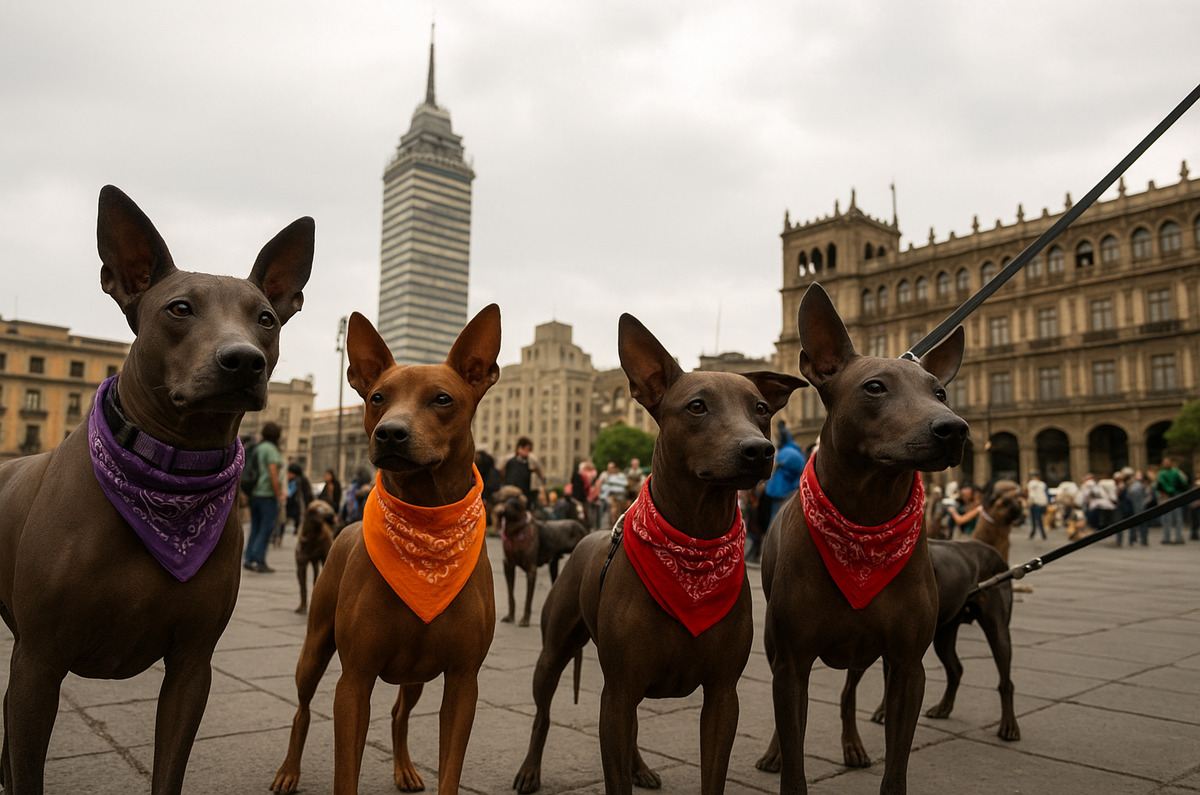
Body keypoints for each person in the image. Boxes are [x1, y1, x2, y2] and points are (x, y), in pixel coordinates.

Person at [244, 422, 284, 573]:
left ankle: (248, 558)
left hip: (254, 494)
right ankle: (259, 560)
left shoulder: (258, 447)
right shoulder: (271, 450)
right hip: (267, 495)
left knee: (255, 527)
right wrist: (278, 493)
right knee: (266, 528)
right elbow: (273, 472)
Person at [500, 437, 544, 509]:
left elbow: (540, 474)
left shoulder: (531, 461)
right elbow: (502, 472)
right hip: (511, 492)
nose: (528, 453)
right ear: (519, 448)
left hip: (525, 494)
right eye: (526, 449)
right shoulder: (510, 460)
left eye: (529, 450)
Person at [1156, 457, 1189, 544]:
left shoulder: (1176, 472)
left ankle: (1178, 538)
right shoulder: (1162, 473)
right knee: (1166, 519)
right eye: (1164, 462)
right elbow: (1159, 485)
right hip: (1167, 497)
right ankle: (1167, 538)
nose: (1166, 464)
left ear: (1171, 463)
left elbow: (1183, 483)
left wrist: (1172, 491)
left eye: (1167, 462)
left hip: (1175, 496)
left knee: (1178, 518)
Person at [281, 462, 314, 542]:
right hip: (298, 508)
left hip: (299, 508)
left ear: (294, 473)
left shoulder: (298, 481)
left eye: (289, 473)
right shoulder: (299, 480)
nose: (288, 475)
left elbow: (295, 494)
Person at [598, 461, 629, 528]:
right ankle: (609, 525)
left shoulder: (621, 476)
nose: (611, 469)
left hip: (621, 497)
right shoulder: (606, 475)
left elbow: (625, 485)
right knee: (612, 511)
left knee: (619, 512)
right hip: (611, 497)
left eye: (612, 468)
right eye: (609, 468)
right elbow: (604, 487)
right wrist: (602, 496)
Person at [1025, 470, 1049, 540]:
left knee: (1034, 519)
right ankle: (1038, 533)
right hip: (1042, 503)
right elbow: (1046, 494)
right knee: (1039, 519)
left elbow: (1031, 494)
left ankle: (1037, 533)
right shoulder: (1043, 484)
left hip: (1034, 503)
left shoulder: (1031, 483)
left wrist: (1029, 502)